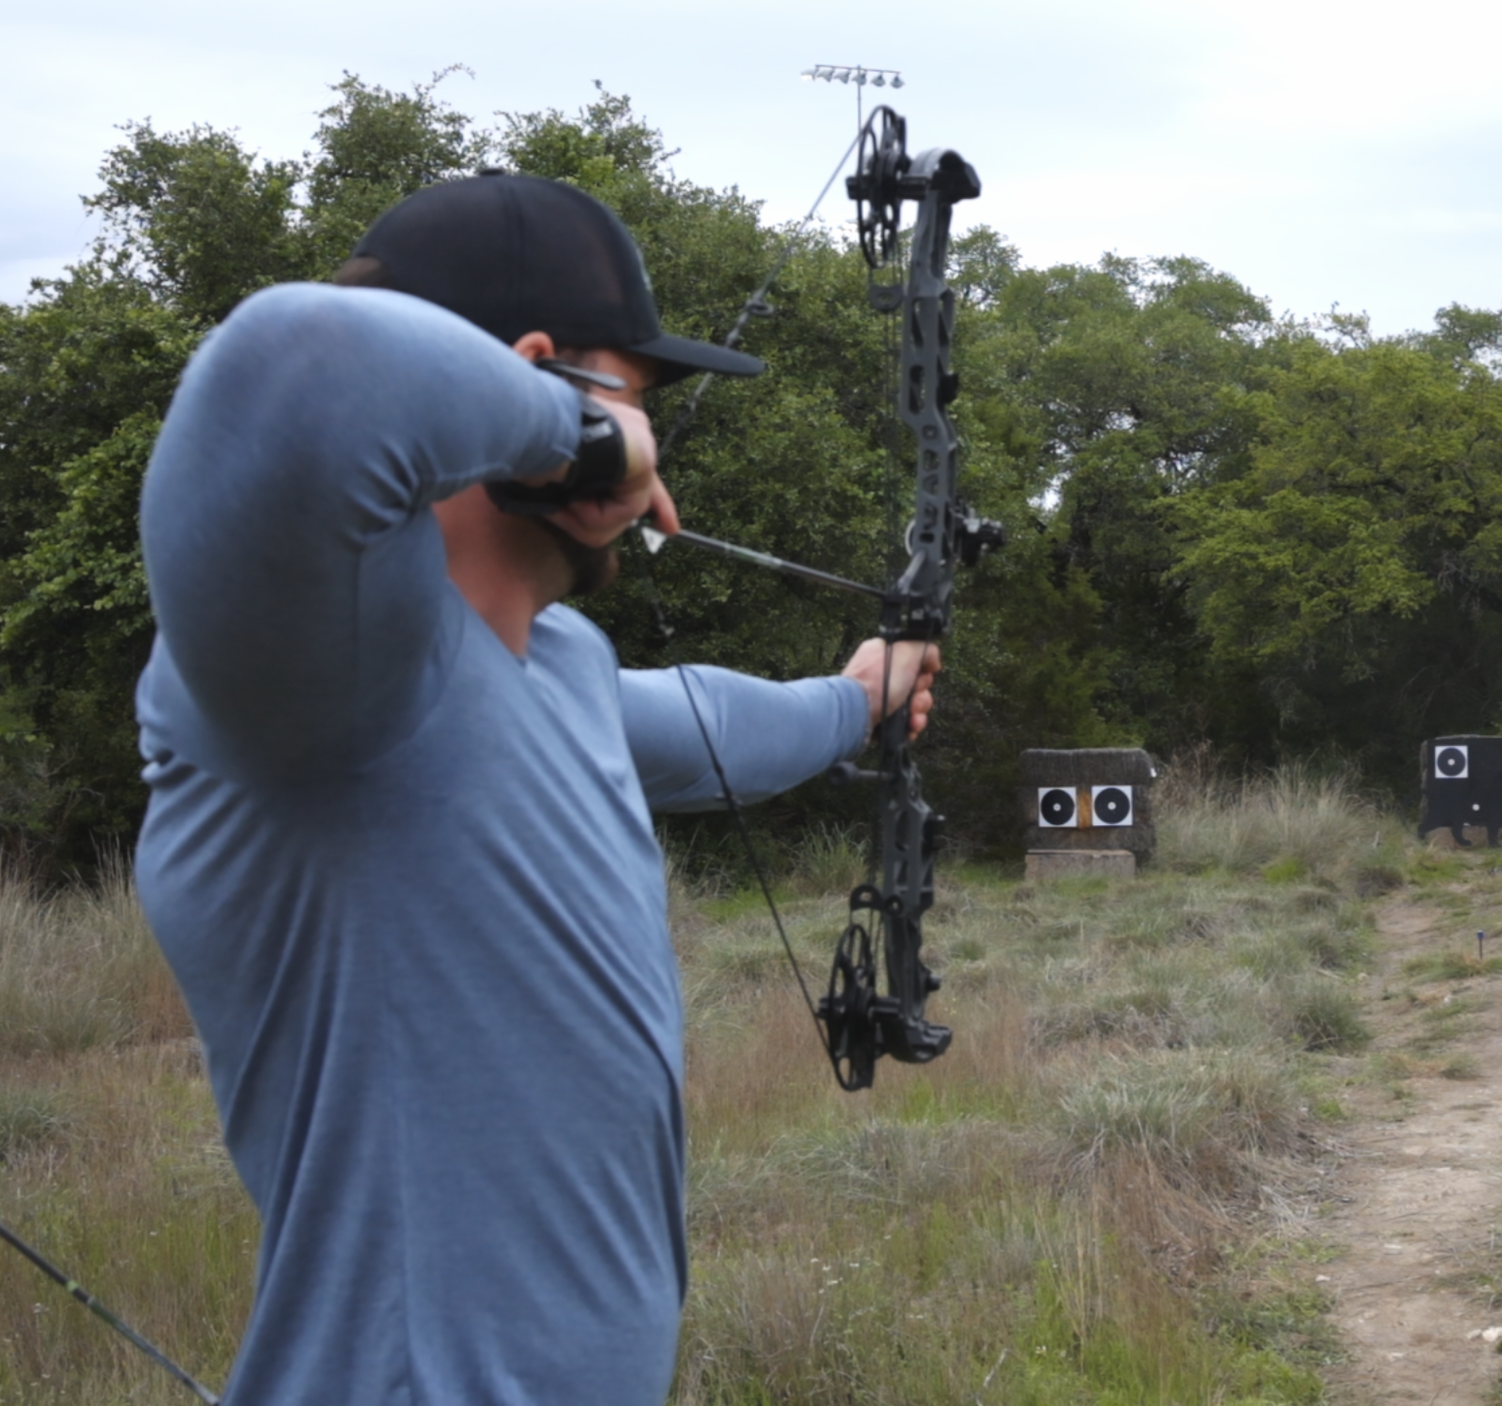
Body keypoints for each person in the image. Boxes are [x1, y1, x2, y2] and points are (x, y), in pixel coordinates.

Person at [133, 172, 937, 1403]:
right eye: (639, 396)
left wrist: (860, 696)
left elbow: (711, 722)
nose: (659, 444)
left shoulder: (552, 663)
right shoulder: (323, 685)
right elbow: (294, 363)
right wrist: (581, 436)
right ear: (532, 379)